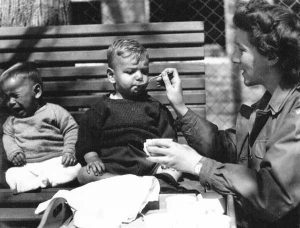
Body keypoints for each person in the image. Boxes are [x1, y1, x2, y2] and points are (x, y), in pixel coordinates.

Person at [146, 0, 300, 227]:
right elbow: (232, 148)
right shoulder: (269, 102)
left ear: (271, 56)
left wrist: (198, 165)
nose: (235, 58)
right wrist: (181, 108)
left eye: (242, 50)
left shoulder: (295, 116)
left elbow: (272, 197)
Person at [75, 39, 181, 190]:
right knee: (84, 174)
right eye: (130, 72)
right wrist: (93, 159)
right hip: (110, 169)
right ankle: (132, 185)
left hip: (149, 170)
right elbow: (86, 141)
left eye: (144, 71)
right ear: (112, 76)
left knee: (177, 167)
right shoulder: (100, 109)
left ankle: (146, 184)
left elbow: (169, 140)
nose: (139, 77)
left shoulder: (155, 108)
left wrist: (165, 160)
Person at [0, 62, 81, 193]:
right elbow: (7, 136)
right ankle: (38, 182)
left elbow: (71, 129)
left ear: (37, 91)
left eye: (15, 96)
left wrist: (69, 150)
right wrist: (13, 151)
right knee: (11, 173)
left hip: (56, 161)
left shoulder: (54, 111)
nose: (10, 102)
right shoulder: (12, 121)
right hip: (28, 166)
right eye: (7, 97)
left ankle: (38, 183)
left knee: (75, 169)